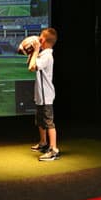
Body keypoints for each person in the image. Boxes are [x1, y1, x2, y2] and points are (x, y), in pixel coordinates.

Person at [29, 28, 59, 161]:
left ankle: (53, 150)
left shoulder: (47, 55)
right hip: (41, 95)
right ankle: (43, 143)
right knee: (40, 121)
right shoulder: (42, 53)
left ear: (44, 40)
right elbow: (29, 63)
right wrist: (32, 52)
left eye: (40, 37)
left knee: (49, 122)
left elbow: (32, 67)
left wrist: (35, 50)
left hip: (46, 95)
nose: (38, 39)